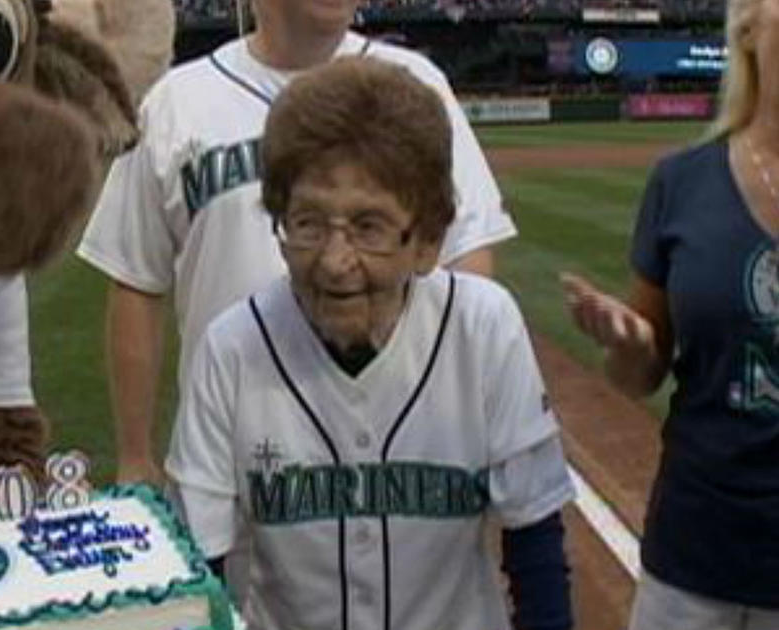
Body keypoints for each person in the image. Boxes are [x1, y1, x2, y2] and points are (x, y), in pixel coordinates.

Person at [168, 57, 574, 630]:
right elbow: (197, 575)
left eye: (369, 227)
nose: (335, 263)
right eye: (307, 223)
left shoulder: (483, 327)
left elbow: (534, 544)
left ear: (428, 240)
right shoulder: (232, 350)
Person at [77, 0, 515, 485]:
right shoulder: (176, 103)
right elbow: (137, 280)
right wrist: (135, 454)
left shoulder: (416, 85)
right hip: (231, 462)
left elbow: (466, 254)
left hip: (398, 457)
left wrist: (455, 411)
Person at [561, 0, 779, 624]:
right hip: (694, 555)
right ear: (748, 27)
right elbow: (640, 374)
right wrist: (630, 350)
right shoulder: (681, 181)